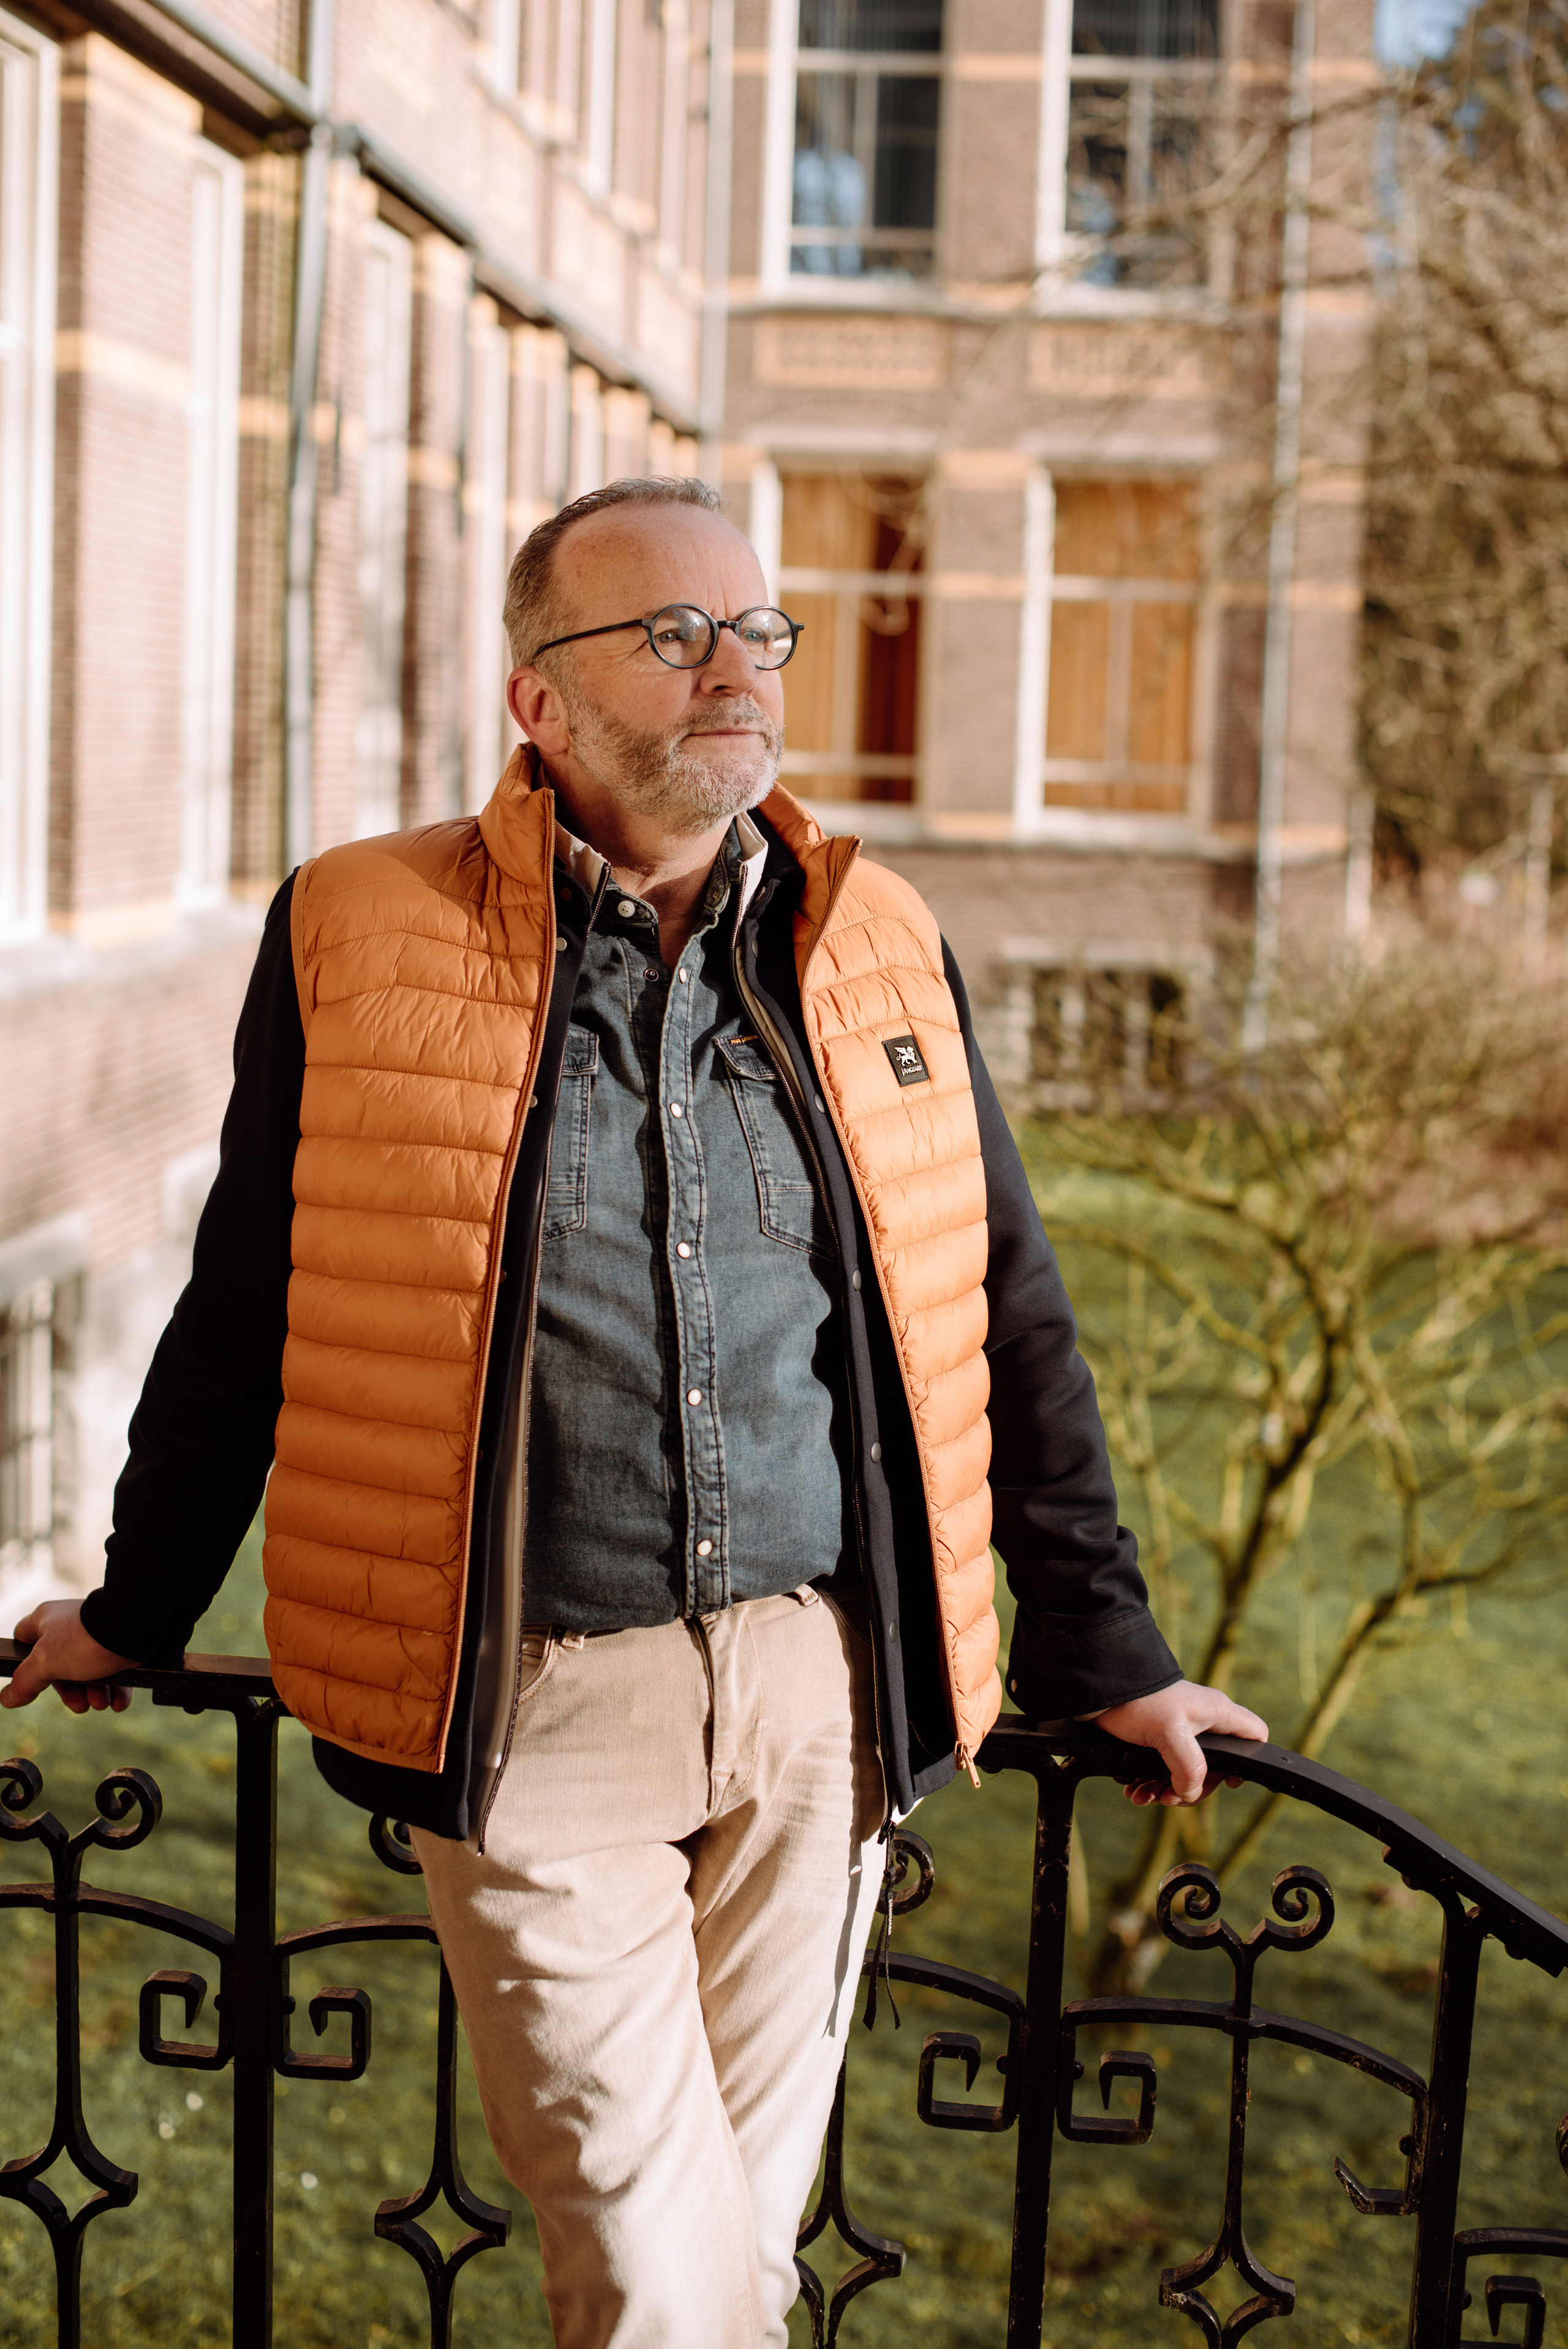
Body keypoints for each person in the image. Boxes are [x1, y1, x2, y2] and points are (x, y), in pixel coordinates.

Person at [3, 477, 1266, 2347]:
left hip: (820, 1701)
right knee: (669, 2291)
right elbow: (253, 1296)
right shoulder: (357, 924)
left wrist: (1110, 1645)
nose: (735, 671)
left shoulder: (876, 932)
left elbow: (997, 1302)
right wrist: (138, 1605)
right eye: (674, 637)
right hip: (530, 1710)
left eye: (759, 631)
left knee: (732, 2269)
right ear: (541, 699)